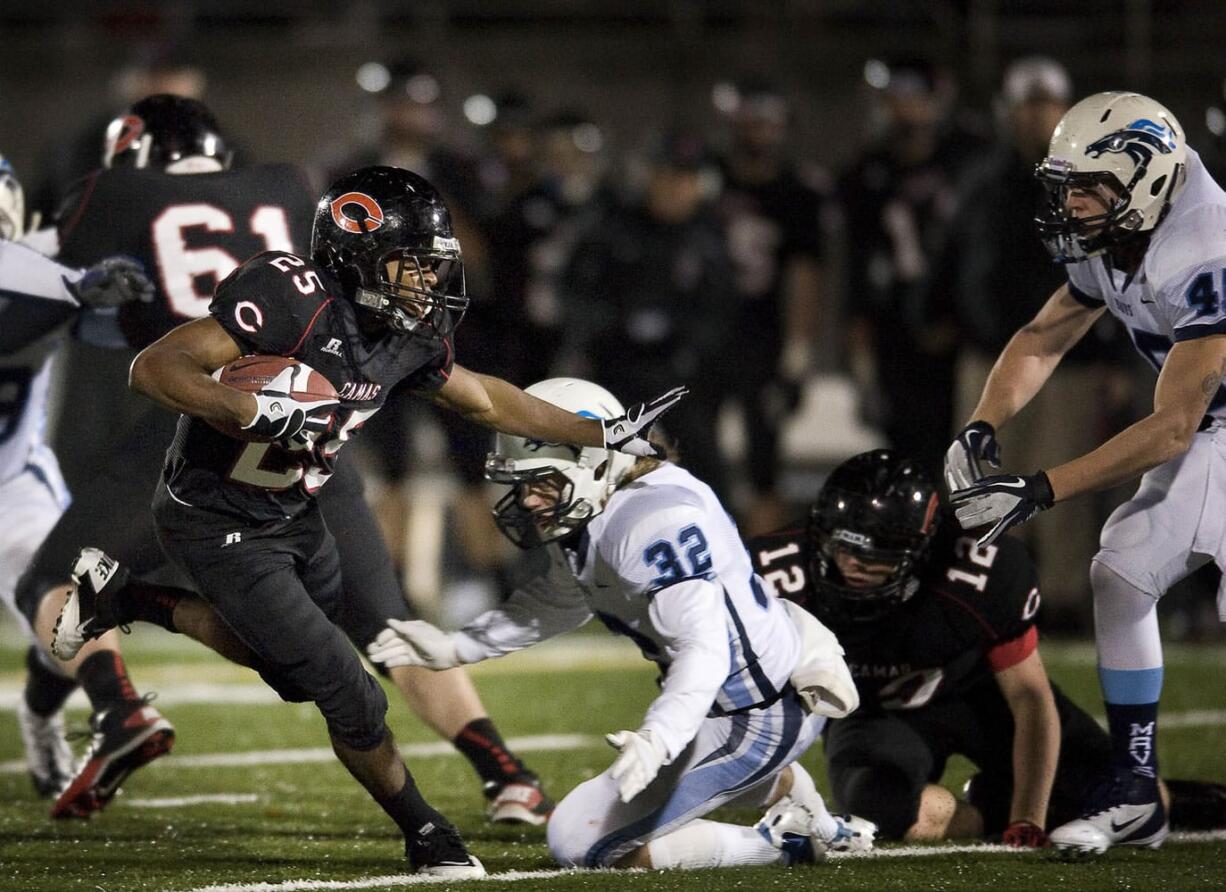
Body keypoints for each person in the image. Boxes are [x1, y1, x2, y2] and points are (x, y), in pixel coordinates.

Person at [62, 169, 682, 875]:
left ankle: (130, 598)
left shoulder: (401, 336)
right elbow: (155, 367)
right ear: (357, 253)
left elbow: (485, 400)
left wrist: (599, 433)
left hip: (297, 513)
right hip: (215, 519)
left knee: (294, 671)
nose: (425, 282)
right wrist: (248, 408)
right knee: (344, 688)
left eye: (430, 265)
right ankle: (428, 834)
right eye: (410, 263)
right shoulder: (292, 299)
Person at [22, 94, 558, 824]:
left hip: (205, 427)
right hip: (318, 428)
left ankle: (118, 708)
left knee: (56, 578)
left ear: (135, 155)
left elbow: (44, 283)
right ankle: (505, 770)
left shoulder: (112, 193)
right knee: (383, 621)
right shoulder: (281, 186)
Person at [366, 377, 875, 871]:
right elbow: (566, 600)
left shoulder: (654, 522)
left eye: (542, 481)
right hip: (736, 696)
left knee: (579, 839)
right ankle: (813, 814)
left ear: (594, 461)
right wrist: (458, 647)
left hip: (754, 714)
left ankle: (786, 843)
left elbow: (705, 649)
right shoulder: (611, 499)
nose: (527, 500)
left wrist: (660, 736)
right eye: (521, 484)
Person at [945, 91, 1226, 854]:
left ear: (1146, 177)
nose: (1071, 202)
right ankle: (1137, 790)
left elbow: (1174, 425)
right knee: (1123, 572)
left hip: (1205, 425)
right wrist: (981, 424)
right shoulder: (1129, 223)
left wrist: (1038, 490)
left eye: (1087, 185)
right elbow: (1043, 337)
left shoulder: (1204, 244)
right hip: (1217, 429)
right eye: (1064, 183)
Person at [749, 450, 1226, 846]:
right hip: (876, 713)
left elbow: (1029, 697)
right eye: (843, 549)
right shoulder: (776, 570)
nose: (851, 567)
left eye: (874, 558)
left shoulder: (978, 573)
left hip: (978, 695)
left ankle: (1185, 801)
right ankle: (988, 807)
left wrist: (1030, 818)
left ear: (919, 552)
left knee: (1136, 796)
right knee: (898, 815)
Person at [930, 58, 1133, 620]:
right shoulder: (983, 181)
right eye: (1027, 104)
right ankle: (978, 602)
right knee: (977, 483)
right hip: (992, 359)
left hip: (1070, 362)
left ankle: (1065, 608)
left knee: (1061, 492)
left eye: (1047, 104)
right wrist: (936, 313)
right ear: (1007, 111)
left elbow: (1118, 267)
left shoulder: (1094, 179)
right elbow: (951, 259)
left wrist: (1116, 356)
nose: (1037, 116)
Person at [0, 154, 160, 804]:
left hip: (11, 483)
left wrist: (132, 302)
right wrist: (71, 292)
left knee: (70, 603)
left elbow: (106, 327)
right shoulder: (46, 282)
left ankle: (62, 711)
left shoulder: (38, 266)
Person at [557, 132, 737, 499]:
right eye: (668, 176)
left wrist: (687, 345)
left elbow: (721, 316)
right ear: (650, 177)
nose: (676, 188)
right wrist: (608, 329)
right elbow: (575, 292)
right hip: (615, 373)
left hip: (683, 379)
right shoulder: (611, 228)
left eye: (686, 179)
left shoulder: (708, 239)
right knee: (597, 480)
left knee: (707, 479)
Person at [837, 57, 990, 474]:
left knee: (971, 461)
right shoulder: (865, 174)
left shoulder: (970, 161)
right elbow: (856, 270)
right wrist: (860, 357)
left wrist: (964, 316)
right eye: (896, 100)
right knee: (911, 460)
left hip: (966, 334)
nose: (905, 110)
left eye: (914, 99)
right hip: (897, 338)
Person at [714, 78, 832, 533]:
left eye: (766, 123)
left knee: (764, 458)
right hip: (706, 331)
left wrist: (799, 346)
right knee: (693, 449)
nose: (757, 133)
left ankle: (761, 566)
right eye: (750, 122)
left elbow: (806, 273)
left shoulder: (797, 190)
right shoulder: (711, 178)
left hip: (762, 334)